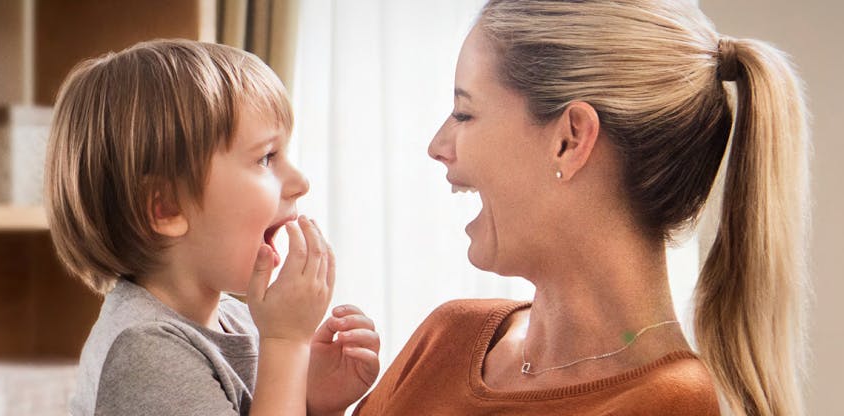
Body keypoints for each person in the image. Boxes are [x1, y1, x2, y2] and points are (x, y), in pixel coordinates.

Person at [355, 1, 808, 415]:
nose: (438, 146)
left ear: (570, 140)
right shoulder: (447, 337)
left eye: (464, 114)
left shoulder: (666, 404)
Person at [44, 39, 380, 416]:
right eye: (266, 157)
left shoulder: (235, 319)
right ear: (166, 207)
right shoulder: (146, 353)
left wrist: (314, 401)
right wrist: (287, 344)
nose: (300, 181)